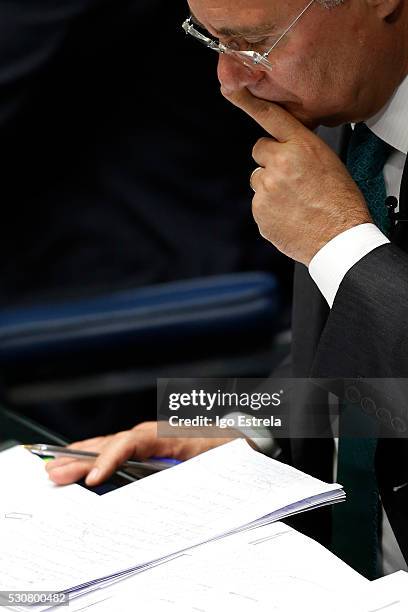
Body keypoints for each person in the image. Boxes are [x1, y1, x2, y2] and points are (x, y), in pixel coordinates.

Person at [47, 0, 408, 578]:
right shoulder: (346, 98)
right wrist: (240, 421)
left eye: (256, 43)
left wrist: (337, 242)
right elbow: (346, 361)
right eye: (214, 42)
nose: (229, 80)